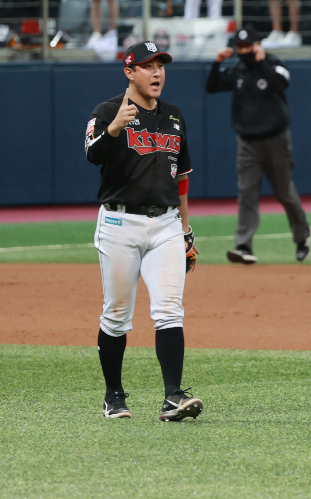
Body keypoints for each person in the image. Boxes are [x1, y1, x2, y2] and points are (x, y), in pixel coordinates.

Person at [85, 41, 204, 422]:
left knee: (170, 310)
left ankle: (173, 396)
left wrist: (186, 230)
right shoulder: (106, 112)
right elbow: (92, 153)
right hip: (120, 223)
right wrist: (115, 129)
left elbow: (181, 179)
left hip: (166, 224)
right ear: (129, 72)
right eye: (148, 66)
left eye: (161, 66)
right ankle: (113, 395)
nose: (157, 73)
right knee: (117, 315)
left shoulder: (174, 116)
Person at [206, 26, 311, 264]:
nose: (243, 51)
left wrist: (263, 63)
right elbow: (212, 87)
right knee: (247, 193)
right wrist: (216, 63)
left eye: (247, 46)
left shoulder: (274, 64)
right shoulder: (238, 69)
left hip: (276, 140)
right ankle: (243, 245)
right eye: (239, 47)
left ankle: (302, 238)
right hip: (248, 143)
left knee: (285, 193)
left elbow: (280, 85)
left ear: (258, 45)